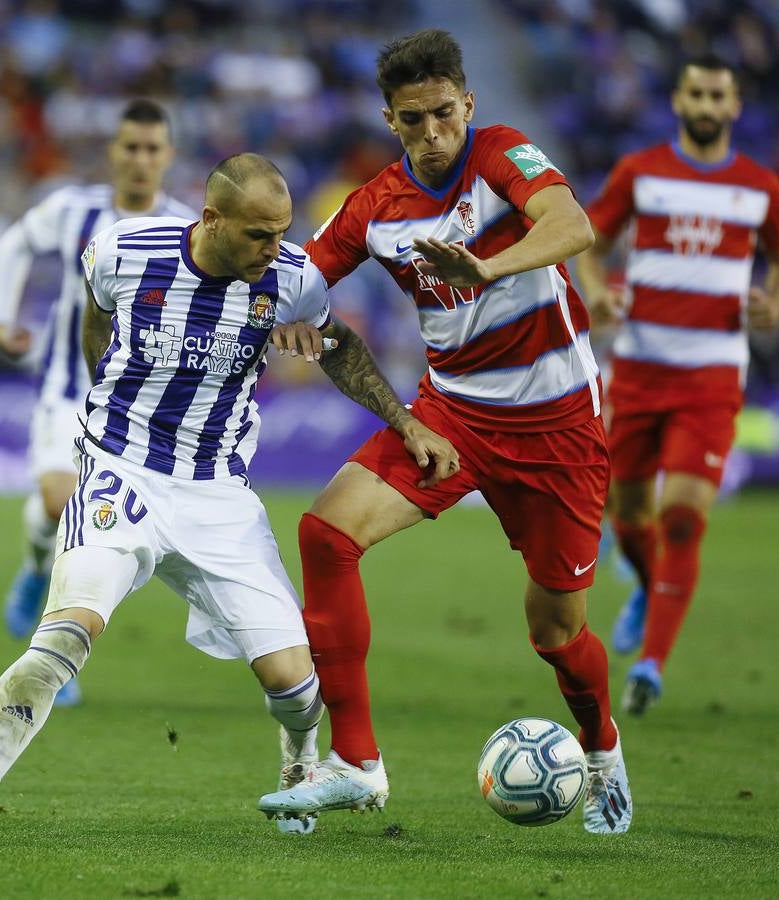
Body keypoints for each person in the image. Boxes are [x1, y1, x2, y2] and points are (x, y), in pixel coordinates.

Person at [0, 153, 456, 847]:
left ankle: (298, 765)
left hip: (217, 496)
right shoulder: (123, 251)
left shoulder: (290, 278)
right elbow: (96, 316)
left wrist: (406, 422)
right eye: (258, 235)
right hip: (123, 473)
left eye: (281, 233)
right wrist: (97, 401)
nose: (275, 250)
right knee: (65, 636)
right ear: (211, 219)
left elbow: (340, 348)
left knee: (295, 683)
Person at [257, 28, 633, 834]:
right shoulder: (375, 205)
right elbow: (300, 276)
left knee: (556, 634)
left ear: (467, 103)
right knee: (326, 533)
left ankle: (600, 748)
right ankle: (357, 766)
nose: (431, 136)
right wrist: (280, 315)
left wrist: (487, 266)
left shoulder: (501, 154)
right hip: (452, 415)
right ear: (388, 120)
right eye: (410, 121)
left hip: (557, 424)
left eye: (441, 115)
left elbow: (573, 226)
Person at [574, 56, 779, 715]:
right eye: (695, 93)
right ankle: (649, 588)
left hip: (710, 376)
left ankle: (651, 663)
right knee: (625, 511)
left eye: (717, 96)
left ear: (733, 108)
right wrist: (596, 293)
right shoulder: (639, 174)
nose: (705, 104)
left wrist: (776, 303)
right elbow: (590, 241)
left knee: (679, 516)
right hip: (639, 370)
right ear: (678, 101)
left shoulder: (757, 187)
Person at [0, 99, 196, 706]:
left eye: (152, 149)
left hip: (133, 400)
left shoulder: (187, 225)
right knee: (59, 503)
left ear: (168, 155)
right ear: (114, 150)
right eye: (130, 147)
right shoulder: (74, 209)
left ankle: (52, 647)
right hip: (64, 386)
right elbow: (12, 245)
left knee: (97, 528)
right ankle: (34, 576)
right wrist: (2, 319)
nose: (140, 159)